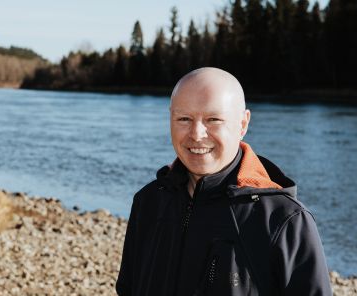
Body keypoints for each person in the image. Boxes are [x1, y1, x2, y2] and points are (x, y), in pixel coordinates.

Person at [116, 67, 332, 296]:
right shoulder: (148, 202)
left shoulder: (284, 220)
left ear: (243, 124)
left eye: (213, 119)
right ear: (170, 117)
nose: (197, 134)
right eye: (184, 118)